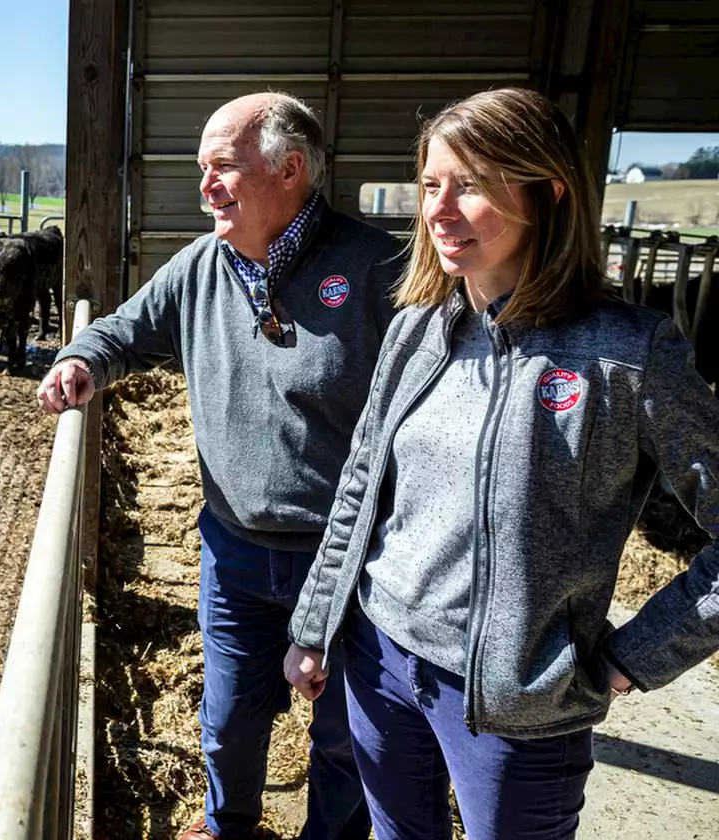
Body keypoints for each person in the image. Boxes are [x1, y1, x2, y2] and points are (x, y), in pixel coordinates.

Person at [284, 86, 719, 840]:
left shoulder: (628, 354)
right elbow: (361, 486)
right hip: (381, 659)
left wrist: (633, 657)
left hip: (521, 704)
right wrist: (317, 623)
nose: (440, 210)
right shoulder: (418, 329)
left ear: (546, 193)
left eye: (472, 185)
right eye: (430, 186)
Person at [37, 91, 401, 839]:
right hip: (233, 547)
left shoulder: (378, 271)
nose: (204, 187)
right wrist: (82, 360)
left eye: (223, 168)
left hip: (352, 561)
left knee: (342, 731)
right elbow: (122, 331)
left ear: (290, 168)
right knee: (230, 717)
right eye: (202, 169)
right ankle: (227, 825)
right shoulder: (203, 267)